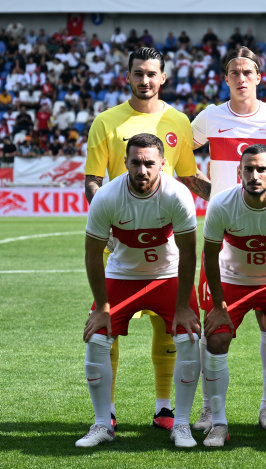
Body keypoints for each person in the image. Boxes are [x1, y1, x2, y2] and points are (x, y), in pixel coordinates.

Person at [84, 47, 210, 433]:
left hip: (167, 244)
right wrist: (108, 225)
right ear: (128, 76)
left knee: (168, 327)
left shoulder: (178, 121)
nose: (145, 80)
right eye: (138, 73)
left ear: (163, 78)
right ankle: (106, 413)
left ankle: (164, 408)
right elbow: (93, 181)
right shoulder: (106, 121)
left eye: (152, 73)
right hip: (122, 241)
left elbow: (188, 178)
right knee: (105, 325)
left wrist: (232, 200)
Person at [191, 46, 266, 433]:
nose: (241, 78)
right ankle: (208, 409)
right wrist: (214, 196)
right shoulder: (209, 118)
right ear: (225, 79)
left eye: (247, 72)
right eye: (234, 72)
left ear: (258, 77)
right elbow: (180, 156)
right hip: (224, 240)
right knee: (212, 328)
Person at [76, 133, 201, 448]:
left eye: (149, 163)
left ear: (163, 164)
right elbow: (92, 254)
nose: (142, 170)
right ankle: (102, 424)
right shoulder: (106, 197)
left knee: (189, 338)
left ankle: (181, 425)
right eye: (135, 163)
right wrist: (101, 307)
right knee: (97, 339)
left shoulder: (177, 194)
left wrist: (184, 307)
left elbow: (189, 253)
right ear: (125, 163)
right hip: (122, 275)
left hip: (168, 276)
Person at [201, 144, 266, 447]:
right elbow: (210, 256)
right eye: (248, 169)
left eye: (261, 169)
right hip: (232, 280)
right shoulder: (222, 204)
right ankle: (218, 423)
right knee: (216, 338)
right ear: (239, 172)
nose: (254, 175)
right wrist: (219, 306)